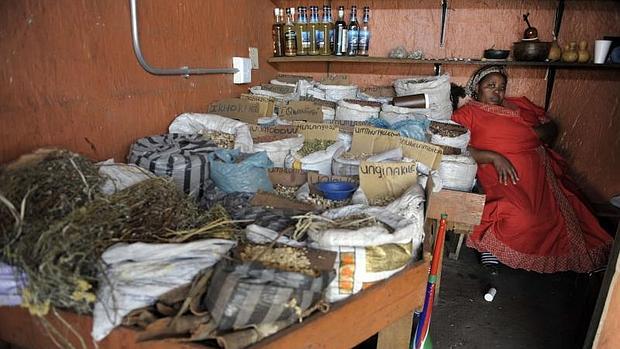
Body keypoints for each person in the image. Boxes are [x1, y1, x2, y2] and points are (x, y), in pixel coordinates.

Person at [451, 65, 612, 274]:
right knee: (520, 215)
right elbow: (454, 146)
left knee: (562, 213)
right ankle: (494, 246)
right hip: (498, 173)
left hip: (537, 173)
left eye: (501, 87)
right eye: (490, 86)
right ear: (476, 88)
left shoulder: (517, 107)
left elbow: (551, 128)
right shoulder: (468, 113)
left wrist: (529, 136)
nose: (497, 91)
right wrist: (494, 156)